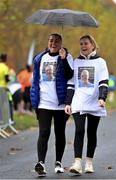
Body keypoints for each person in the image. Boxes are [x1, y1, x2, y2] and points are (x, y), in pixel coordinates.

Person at [64, 35, 109, 174]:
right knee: (79, 130)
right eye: (81, 44)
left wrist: (102, 98)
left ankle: (89, 162)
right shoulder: (76, 62)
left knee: (91, 132)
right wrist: (68, 102)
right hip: (78, 101)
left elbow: (103, 82)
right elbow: (71, 84)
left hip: (95, 101)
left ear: (92, 45)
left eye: (86, 43)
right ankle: (77, 163)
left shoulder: (101, 62)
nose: (83, 46)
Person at [30, 33, 74, 176]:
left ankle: (58, 162)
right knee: (44, 132)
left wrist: (63, 58)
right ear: (47, 42)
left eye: (56, 41)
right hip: (43, 103)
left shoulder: (67, 56)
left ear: (61, 43)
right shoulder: (39, 58)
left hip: (60, 104)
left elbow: (70, 75)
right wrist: (34, 100)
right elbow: (35, 80)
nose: (53, 43)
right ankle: (41, 163)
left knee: (59, 133)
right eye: (51, 40)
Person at [0, 53, 14, 124]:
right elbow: (6, 79)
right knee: (8, 103)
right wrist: (11, 78)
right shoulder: (5, 67)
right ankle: (9, 120)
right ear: (5, 59)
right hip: (3, 88)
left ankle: (1, 119)